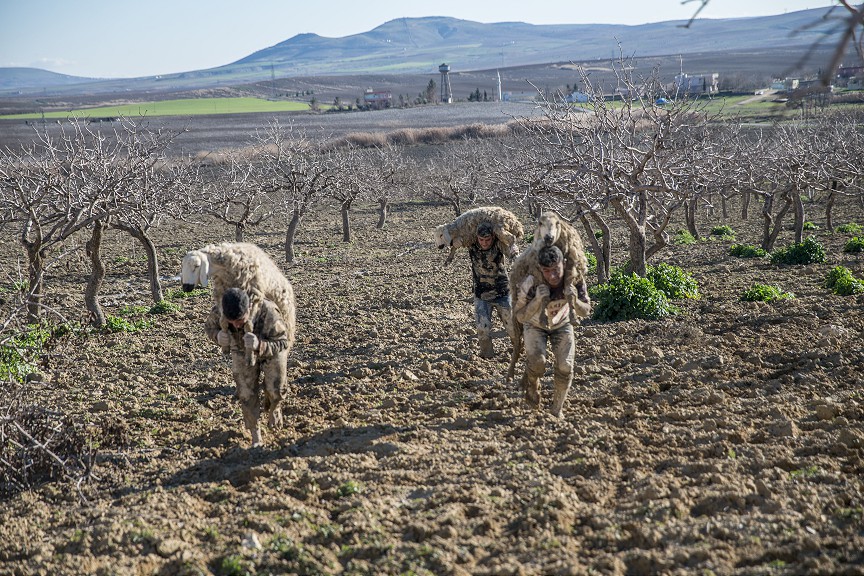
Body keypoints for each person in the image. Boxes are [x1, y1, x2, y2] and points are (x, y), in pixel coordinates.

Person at [205, 287, 291, 447]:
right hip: (241, 350)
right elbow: (209, 327)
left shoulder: (268, 312)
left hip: (269, 346)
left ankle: (274, 406)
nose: (237, 325)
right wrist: (217, 336)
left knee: (276, 388)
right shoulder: (220, 310)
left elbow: (282, 342)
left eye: (240, 320)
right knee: (246, 392)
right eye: (232, 321)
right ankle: (255, 435)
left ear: (248, 309)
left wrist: (260, 345)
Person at [513, 245, 590, 417]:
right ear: (541, 269)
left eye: (556, 270)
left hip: (562, 324)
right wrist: (537, 300)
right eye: (547, 271)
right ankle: (532, 383)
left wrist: (575, 301)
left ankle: (557, 409)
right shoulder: (531, 281)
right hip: (535, 325)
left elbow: (586, 310)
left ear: (563, 263)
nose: (553, 276)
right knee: (537, 363)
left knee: (565, 366)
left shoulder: (574, 278)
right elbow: (519, 316)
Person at [468, 221, 512, 359]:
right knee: (483, 327)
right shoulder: (472, 245)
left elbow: (510, 249)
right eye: (481, 240)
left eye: (487, 240)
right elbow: (456, 237)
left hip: (502, 292)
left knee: (512, 325)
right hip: (482, 293)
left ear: (493, 237)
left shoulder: (499, 245)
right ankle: (487, 355)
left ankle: (518, 347)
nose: (484, 243)